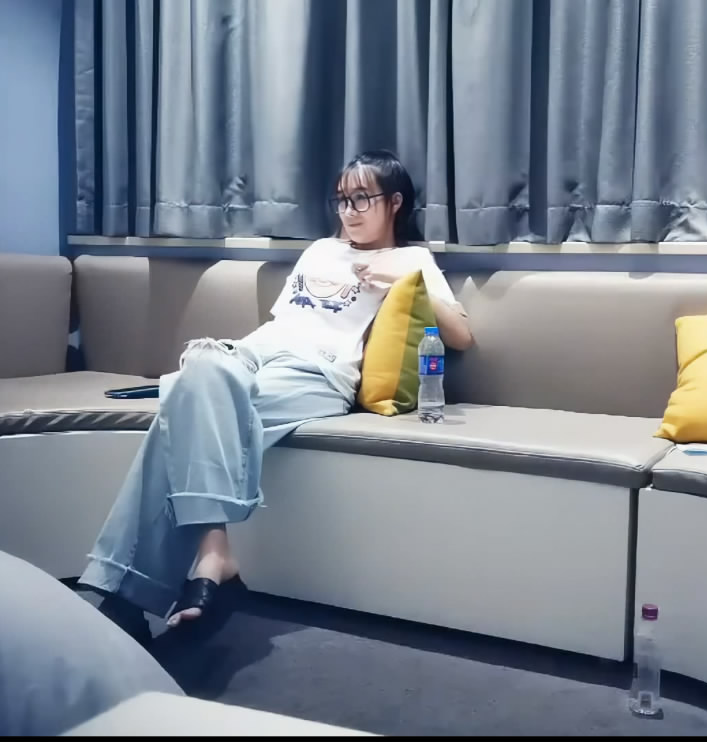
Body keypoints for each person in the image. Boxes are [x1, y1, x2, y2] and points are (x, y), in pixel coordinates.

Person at [78, 150, 474, 637]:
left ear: (394, 202)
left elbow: (461, 335)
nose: (348, 211)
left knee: (183, 401)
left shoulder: (412, 259)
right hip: (255, 352)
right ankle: (216, 557)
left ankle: (126, 592)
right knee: (199, 367)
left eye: (361, 199)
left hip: (318, 372)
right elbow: (285, 322)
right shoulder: (320, 251)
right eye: (341, 200)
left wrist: (404, 281)